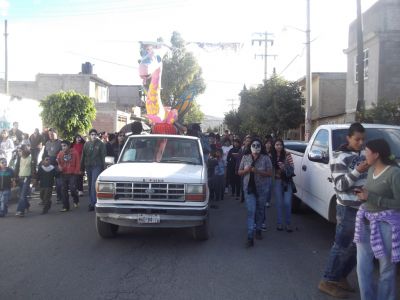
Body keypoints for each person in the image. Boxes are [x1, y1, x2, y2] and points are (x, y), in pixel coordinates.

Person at [318, 122, 369, 298]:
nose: (360, 143)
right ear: (348, 138)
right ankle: (327, 280)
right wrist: (357, 171)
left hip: (364, 208)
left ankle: (340, 277)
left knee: (357, 248)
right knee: (342, 246)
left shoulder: (364, 154)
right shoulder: (339, 157)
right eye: (357, 139)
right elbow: (340, 185)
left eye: (363, 139)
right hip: (347, 209)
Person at [353, 139, 400, 300]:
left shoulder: (394, 173)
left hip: (385, 225)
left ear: (376, 154)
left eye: (367, 151)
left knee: (386, 268)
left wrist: (372, 197)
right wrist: (363, 196)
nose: (364, 154)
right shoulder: (371, 169)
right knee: (362, 267)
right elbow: (370, 192)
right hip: (365, 221)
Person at [238, 137, 272, 247]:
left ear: (261, 147)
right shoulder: (245, 157)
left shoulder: (266, 158)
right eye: (254, 145)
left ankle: (258, 230)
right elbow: (239, 172)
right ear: (250, 147)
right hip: (249, 189)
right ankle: (250, 237)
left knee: (260, 210)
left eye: (258, 145)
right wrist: (246, 170)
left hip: (262, 189)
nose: (256, 147)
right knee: (251, 211)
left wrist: (257, 171)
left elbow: (270, 173)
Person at [272, 139, 296, 232]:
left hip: (287, 181)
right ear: (274, 146)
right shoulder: (272, 156)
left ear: (282, 146)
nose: (278, 146)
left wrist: (284, 166)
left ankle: (288, 223)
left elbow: (293, 168)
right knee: (279, 203)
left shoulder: (287, 154)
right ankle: (279, 223)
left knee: (287, 203)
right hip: (277, 181)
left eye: (280, 145)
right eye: (277, 145)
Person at [81, 128, 106, 211]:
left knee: (93, 184)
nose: (93, 136)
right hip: (88, 166)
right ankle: (91, 201)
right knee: (90, 185)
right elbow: (83, 156)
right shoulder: (86, 144)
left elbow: (103, 157)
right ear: (89, 135)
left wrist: (104, 168)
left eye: (95, 134)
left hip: (97, 165)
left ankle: (94, 203)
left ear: (97, 135)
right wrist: (81, 167)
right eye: (92, 134)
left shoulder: (101, 144)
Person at [57, 140, 80, 212]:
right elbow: (58, 162)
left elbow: (78, 163)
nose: (63, 147)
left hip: (72, 174)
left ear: (69, 146)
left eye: (64, 146)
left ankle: (76, 200)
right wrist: (59, 167)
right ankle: (65, 206)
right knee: (64, 190)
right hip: (64, 174)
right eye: (62, 146)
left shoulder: (74, 153)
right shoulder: (60, 153)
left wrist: (76, 172)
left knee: (73, 189)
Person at [42, 128, 63, 203]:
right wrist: (44, 161)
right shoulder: (47, 143)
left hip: (57, 165)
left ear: (56, 134)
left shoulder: (60, 142)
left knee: (59, 184)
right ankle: (45, 200)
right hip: (49, 165)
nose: (50, 135)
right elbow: (45, 154)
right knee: (47, 184)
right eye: (49, 134)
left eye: (52, 134)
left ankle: (59, 197)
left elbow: (63, 153)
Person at [15, 145, 33, 217]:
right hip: (20, 178)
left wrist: (34, 179)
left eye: (20, 151)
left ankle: (20, 211)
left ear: (24, 150)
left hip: (27, 178)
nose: (19, 152)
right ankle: (27, 206)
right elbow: (17, 167)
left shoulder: (31, 157)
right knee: (22, 195)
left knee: (22, 195)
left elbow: (33, 168)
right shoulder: (19, 158)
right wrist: (15, 177)